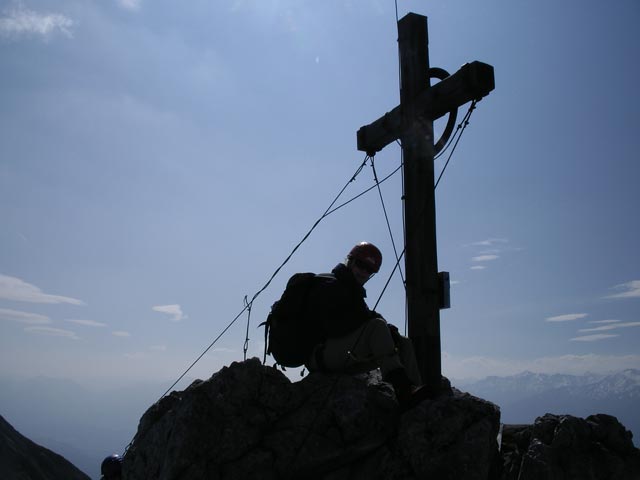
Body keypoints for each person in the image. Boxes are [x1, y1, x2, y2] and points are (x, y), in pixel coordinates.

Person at [305, 241, 428, 407]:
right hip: (320, 355)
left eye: (369, 269)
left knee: (401, 341)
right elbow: (334, 327)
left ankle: (415, 390)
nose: (363, 272)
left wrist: (387, 330)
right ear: (350, 261)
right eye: (360, 265)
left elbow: (361, 318)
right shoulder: (331, 286)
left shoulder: (352, 292)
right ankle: (404, 391)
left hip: (337, 354)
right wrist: (372, 323)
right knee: (377, 327)